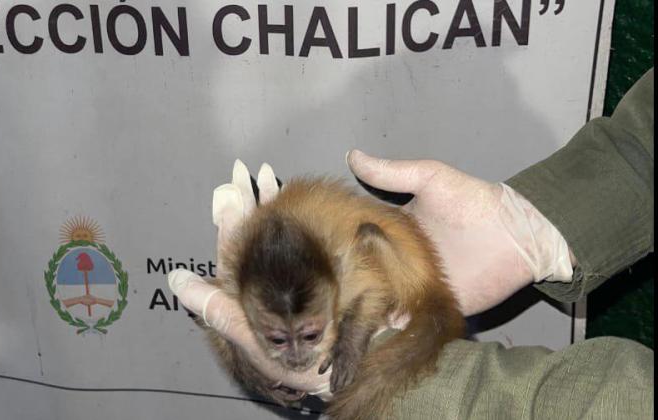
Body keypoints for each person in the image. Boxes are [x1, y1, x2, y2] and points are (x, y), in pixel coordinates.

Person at [169, 69, 654, 418]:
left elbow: (369, 286)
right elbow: (229, 319)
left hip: (379, 262)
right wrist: (535, 221)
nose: (297, 355)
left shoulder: (347, 266)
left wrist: (354, 345)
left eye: (308, 336)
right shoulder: (251, 281)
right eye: (280, 339)